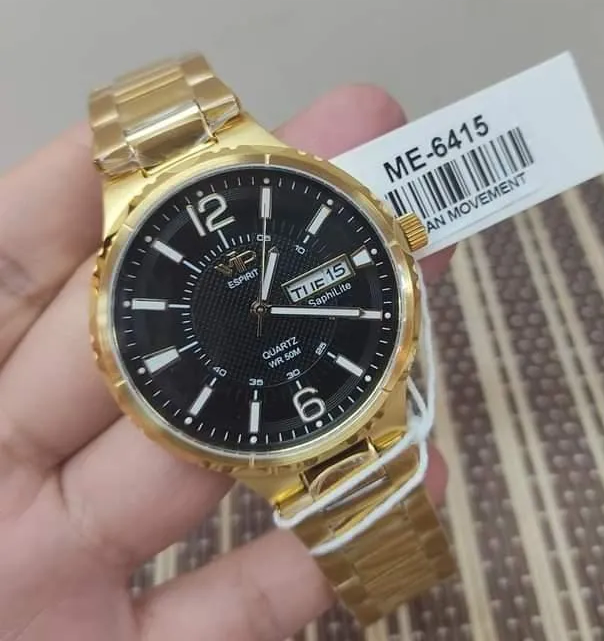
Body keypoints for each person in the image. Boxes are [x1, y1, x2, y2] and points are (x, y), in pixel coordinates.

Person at [0, 84, 452, 640]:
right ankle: (396, 574)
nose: (257, 309)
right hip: (275, 420)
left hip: (345, 393)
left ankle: (402, 571)